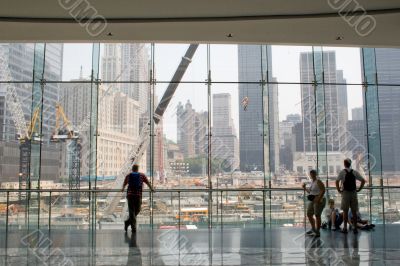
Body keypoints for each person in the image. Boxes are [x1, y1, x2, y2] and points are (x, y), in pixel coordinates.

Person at [336, 158, 366, 234]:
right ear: (350, 164)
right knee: (354, 211)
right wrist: (359, 189)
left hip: (345, 193)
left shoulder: (342, 172)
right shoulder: (355, 172)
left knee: (345, 212)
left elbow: (337, 181)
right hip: (353, 193)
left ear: (344, 164)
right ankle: (355, 228)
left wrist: (339, 190)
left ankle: (345, 228)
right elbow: (363, 180)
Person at [121, 164, 154, 232]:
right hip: (138, 195)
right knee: (138, 210)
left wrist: (123, 188)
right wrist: (151, 189)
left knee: (131, 211)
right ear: (137, 169)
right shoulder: (142, 175)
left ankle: (128, 222)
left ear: (132, 169)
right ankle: (133, 228)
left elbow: (124, 183)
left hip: (130, 195)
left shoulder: (128, 175)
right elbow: (148, 182)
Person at [302, 169, 326, 237]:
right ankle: (313, 229)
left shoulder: (318, 181)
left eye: (313, 174)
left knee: (317, 215)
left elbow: (323, 190)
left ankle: (317, 232)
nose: (312, 175)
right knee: (309, 214)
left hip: (318, 200)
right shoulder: (312, 182)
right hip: (313, 200)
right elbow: (310, 192)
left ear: (315, 174)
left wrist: (319, 198)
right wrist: (304, 188)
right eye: (311, 174)